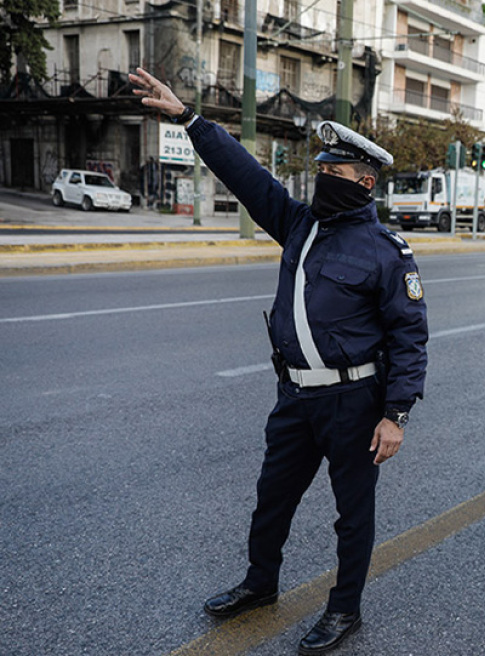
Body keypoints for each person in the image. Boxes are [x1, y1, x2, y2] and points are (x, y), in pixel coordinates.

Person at [130, 68, 428, 654]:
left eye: (333, 172)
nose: (321, 178)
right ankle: (259, 585)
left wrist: (396, 413)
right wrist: (189, 119)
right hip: (295, 398)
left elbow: (410, 336)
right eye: (319, 170)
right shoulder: (300, 226)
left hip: (354, 402)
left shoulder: (387, 253)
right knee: (272, 500)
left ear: (364, 182)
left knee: (351, 515)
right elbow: (245, 175)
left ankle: (345, 610)